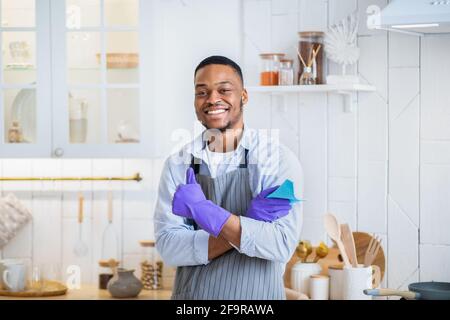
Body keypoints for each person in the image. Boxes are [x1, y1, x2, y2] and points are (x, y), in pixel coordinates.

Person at [154, 55, 303, 300]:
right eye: (202, 92)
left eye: (224, 89)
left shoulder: (276, 160)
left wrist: (207, 212)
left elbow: (281, 245)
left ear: (243, 96)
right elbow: (169, 248)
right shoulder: (178, 164)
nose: (213, 99)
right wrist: (249, 224)